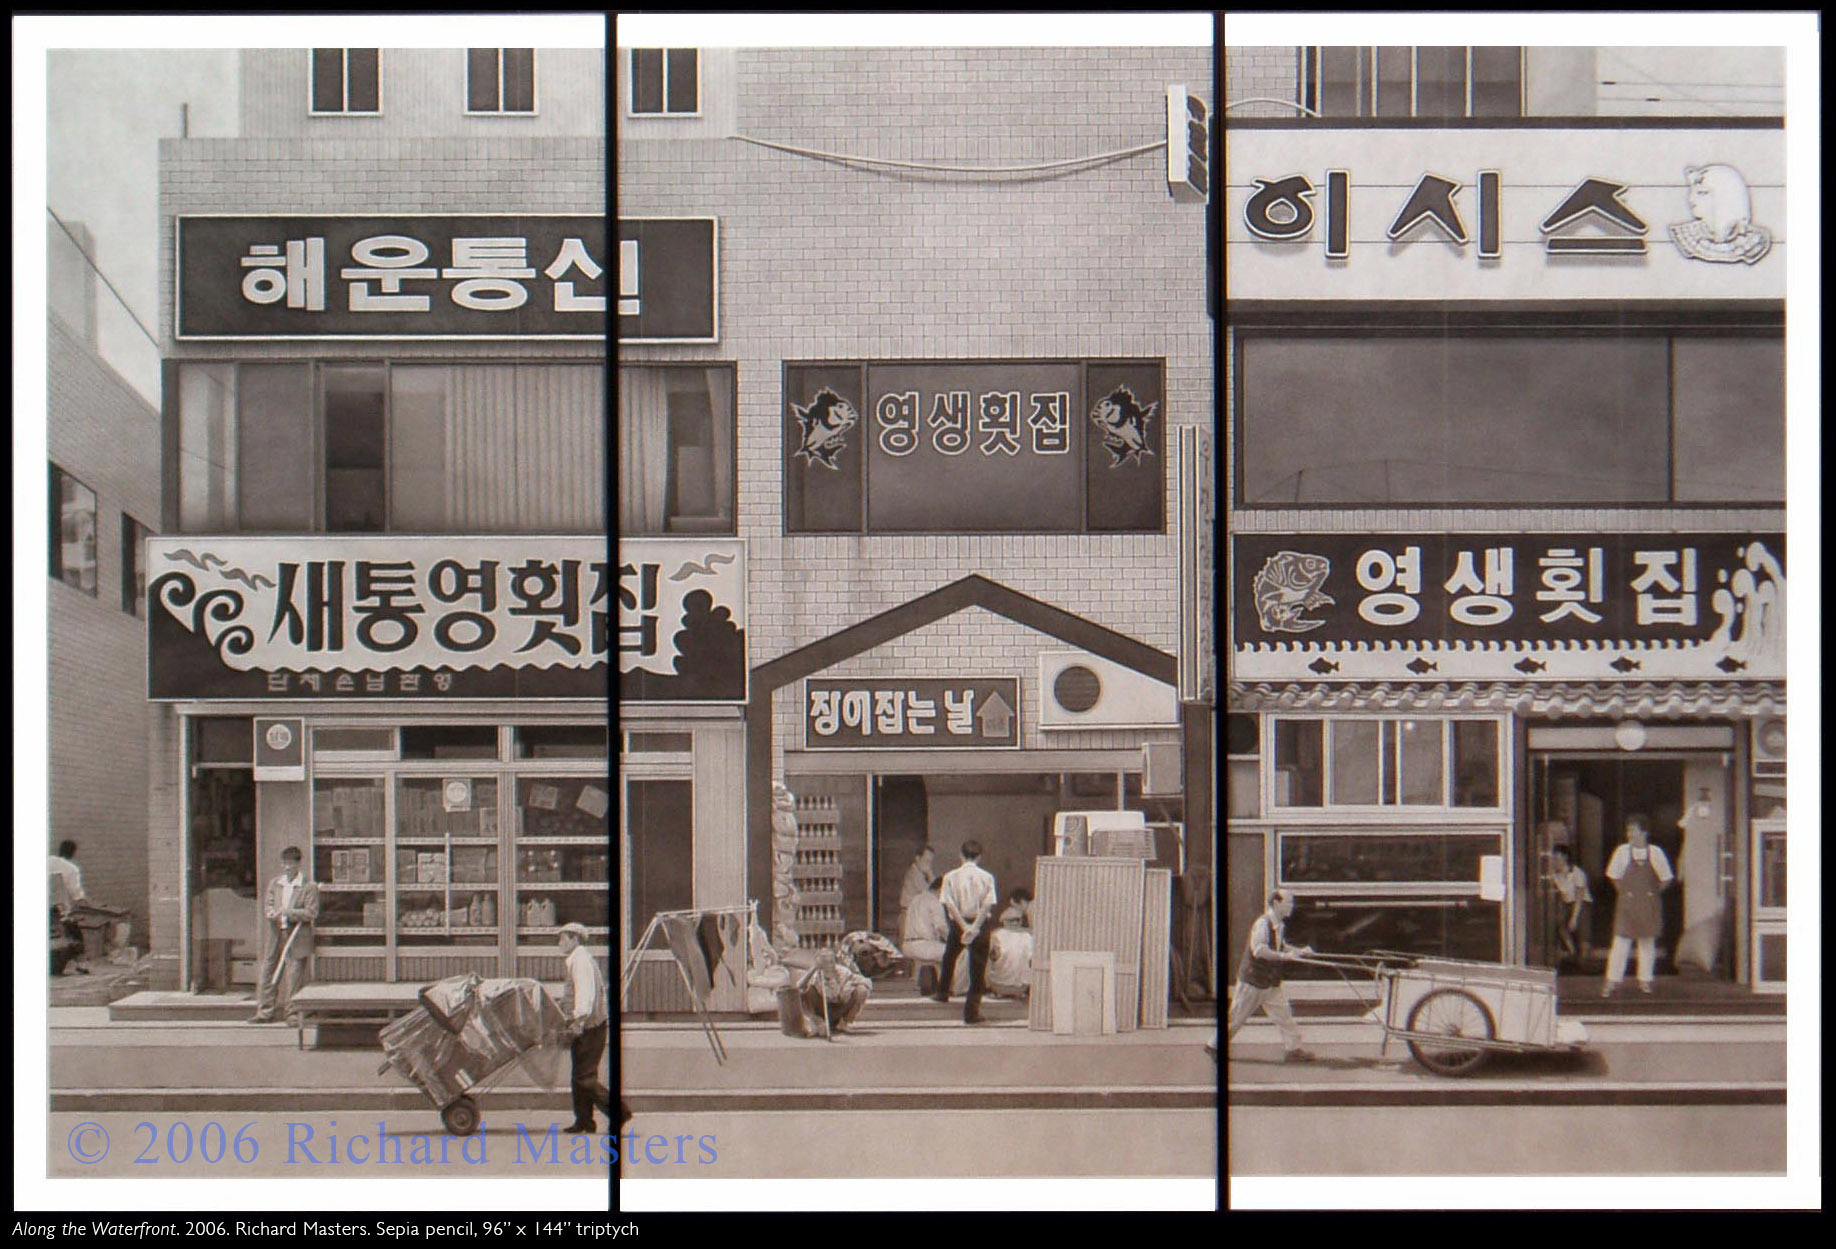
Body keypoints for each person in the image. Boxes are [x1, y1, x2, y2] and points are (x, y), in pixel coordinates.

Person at [1225, 890, 1316, 1063]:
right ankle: (1215, 1047)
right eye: (1288, 902)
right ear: (1276, 904)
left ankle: (1293, 1049)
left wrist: (1300, 951)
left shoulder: (1278, 924)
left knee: (1284, 1016)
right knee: (1237, 1017)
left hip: (1270, 982)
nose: (1292, 906)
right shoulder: (1262, 924)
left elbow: (1280, 946)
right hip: (1253, 980)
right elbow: (1259, 950)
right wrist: (1285, 957)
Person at [1602, 814, 1674, 997]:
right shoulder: (1621, 852)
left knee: (1647, 942)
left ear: (1644, 832)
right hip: (1627, 904)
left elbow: (1666, 878)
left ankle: (1645, 981)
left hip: (1648, 904)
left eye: (1633, 830)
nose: (1630, 834)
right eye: (1628, 830)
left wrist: (1652, 894)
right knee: (1620, 942)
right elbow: (1614, 876)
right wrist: (1625, 893)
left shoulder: (1656, 853)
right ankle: (1612, 981)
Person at [556, 922, 614, 1134]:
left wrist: (578, 1020)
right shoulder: (577, 960)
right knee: (579, 1076)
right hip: (587, 1025)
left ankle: (618, 1112)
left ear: (575, 939)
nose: (560, 943)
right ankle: (584, 1121)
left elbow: (585, 995)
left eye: (563, 939)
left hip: (590, 1026)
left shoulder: (580, 962)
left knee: (584, 1078)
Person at [250, 846, 319, 1023]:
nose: (287, 867)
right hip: (276, 933)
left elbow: (311, 912)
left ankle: (292, 1013)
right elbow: (268, 905)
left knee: (294, 975)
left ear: (298, 864)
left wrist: (287, 912)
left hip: (297, 935)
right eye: (284, 863)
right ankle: (265, 1012)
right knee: (268, 971)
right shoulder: (275, 884)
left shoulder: (308, 886)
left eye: (290, 864)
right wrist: (271, 913)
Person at [932, 839, 997, 1024]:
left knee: (949, 956)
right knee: (977, 968)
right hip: (980, 924)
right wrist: (975, 927)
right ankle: (972, 1012)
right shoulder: (987, 877)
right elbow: (987, 905)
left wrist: (963, 926)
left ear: (960, 855)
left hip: (959, 923)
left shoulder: (950, 876)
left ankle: (942, 992)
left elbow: (949, 904)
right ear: (979, 857)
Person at [1546, 843, 1593, 967]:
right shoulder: (1554, 875)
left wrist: (1574, 917)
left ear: (1565, 858)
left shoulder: (1577, 873)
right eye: (1553, 858)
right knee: (1561, 926)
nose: (1554, 861)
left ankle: (1584, 959)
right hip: (1566, 903)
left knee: (1582, 928)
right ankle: (1573, 952)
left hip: (1581, 903)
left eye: (1557, 858)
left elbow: (1579, 896)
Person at [901, 877, 951, 995]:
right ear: (941, 890)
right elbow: (941, 927)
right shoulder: (935, 902)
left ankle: (923, 983)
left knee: (940, 952)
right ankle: (955, 989)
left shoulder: (915, 899)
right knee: (960, 953)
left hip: (908, 945)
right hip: (924, 946)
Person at [49, 840, 88, 975]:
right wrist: (83, 902)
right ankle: (80, 965)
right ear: (73, 853)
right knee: (75, 934)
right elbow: (75, 892)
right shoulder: (71, 869)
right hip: (58, 908)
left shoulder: (47, 861)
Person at [897, 845, 936, 936]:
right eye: (926, 861)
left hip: (913, 915)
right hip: (909, 916)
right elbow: (933, 893)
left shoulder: (919, 874)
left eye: (930, 862)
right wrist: (930, 874)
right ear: (918, 858)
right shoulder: (914, 873)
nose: (928, 865)